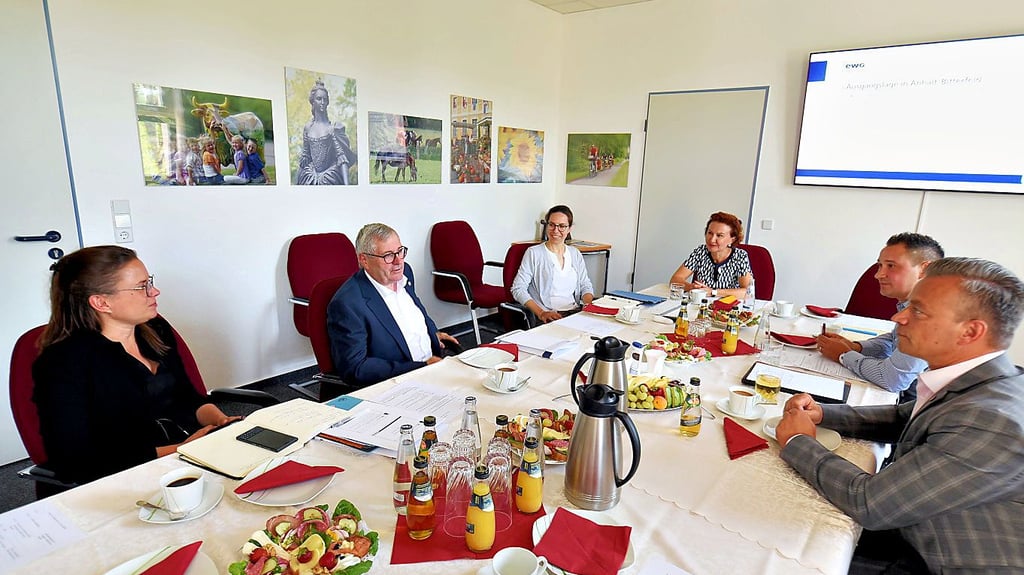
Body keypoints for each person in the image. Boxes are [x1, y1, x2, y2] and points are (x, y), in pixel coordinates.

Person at [776, 257, 1024, 574]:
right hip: (913, 530)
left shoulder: (994, 423)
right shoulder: (988, 379)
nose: (898, 317)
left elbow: (870, 503)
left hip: (931, 560)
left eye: (917, 310)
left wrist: (798, 441)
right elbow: (907, 417)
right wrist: (824, 414)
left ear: (970, 332)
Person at [32, 246, 240, 487]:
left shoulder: (156, 331)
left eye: (150, 282)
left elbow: (186, 397)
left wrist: (221, 422)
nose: (155, 291)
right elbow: (77, 458)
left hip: (182, 459)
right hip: (117, 478)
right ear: (101, 302)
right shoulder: (62, 363)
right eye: (142, 287)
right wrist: (181, 449)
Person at [327, 223, 460, 386]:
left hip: (434, 366)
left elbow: (416, 310)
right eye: (388, 255)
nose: (398, 261)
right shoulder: (347, 304)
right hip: (398, 383)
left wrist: (431, 333)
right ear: (364, 260)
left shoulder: (404, 273)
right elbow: (356, 368)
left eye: (400, 251)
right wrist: (419, 368)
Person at [816, 233, 944, 400]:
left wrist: (843, 355)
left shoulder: (928, 316)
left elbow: (893, 380)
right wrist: (856, 347)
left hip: (911, 405)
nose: (878, 275)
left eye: (891, 266)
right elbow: (893, 340)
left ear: (924, 269)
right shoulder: (910, 305)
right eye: (880, 266)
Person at [511, 205, 595, 324]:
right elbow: (518, 289)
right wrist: (541, 313)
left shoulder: (575, 254)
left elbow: (585, 285)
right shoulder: (534, 253)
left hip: (575, 313)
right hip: (548, 316)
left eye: (561, 226)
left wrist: (588, 305)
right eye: (551, 225)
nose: (555, 230)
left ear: (570, 228)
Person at [669, 211, 753, 299]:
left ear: (732, 239)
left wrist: (713, 292)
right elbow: (676, 279)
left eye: (719, 235)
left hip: (728, 307)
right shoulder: (700, 251)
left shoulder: (740, 256)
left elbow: (748, 292)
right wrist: (691, 287)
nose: (712, 240)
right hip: (701, 304)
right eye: (710, 233)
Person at [297, 79, 355, 185]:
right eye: (319, 99)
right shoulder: (308, 128)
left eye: (325, 99)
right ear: (313, 101)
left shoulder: (333, 128)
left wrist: (347, 187)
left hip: (330, 177)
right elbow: (305, 157)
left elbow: (342, 158)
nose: (322, 102)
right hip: (310, 176)